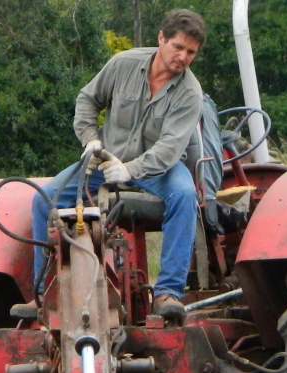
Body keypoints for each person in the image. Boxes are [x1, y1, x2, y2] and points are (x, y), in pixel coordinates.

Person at [32, 9, 206, 324]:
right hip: (104, 160)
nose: (183, 57)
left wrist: (129, 171)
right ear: (161, 39)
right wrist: (90, 140)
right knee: (44, 199)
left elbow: (168, 149)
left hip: (158, 169)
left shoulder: (190, 93)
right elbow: (87, 99)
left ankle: (168, 293)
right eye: (178, 47)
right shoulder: (122, 64)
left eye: (191, 52)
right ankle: (43, 293)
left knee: (184, 196)